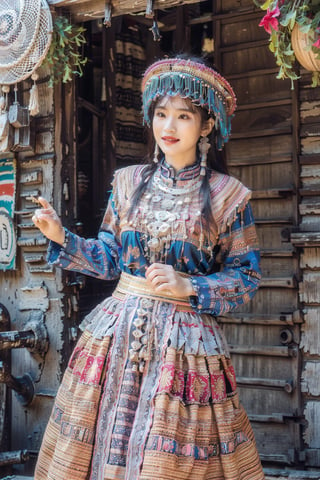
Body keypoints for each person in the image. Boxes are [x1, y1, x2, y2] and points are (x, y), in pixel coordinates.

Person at [32, 56, 265, 480]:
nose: (168, 127)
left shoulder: (229, 195)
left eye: (183, 116)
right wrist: (61, 236)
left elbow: (246, 277)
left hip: (185, 348)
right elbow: (109, 258)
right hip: (115, 337)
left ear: (207, 126)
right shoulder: (126, 182)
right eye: (160, 114)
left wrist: (189, 286)